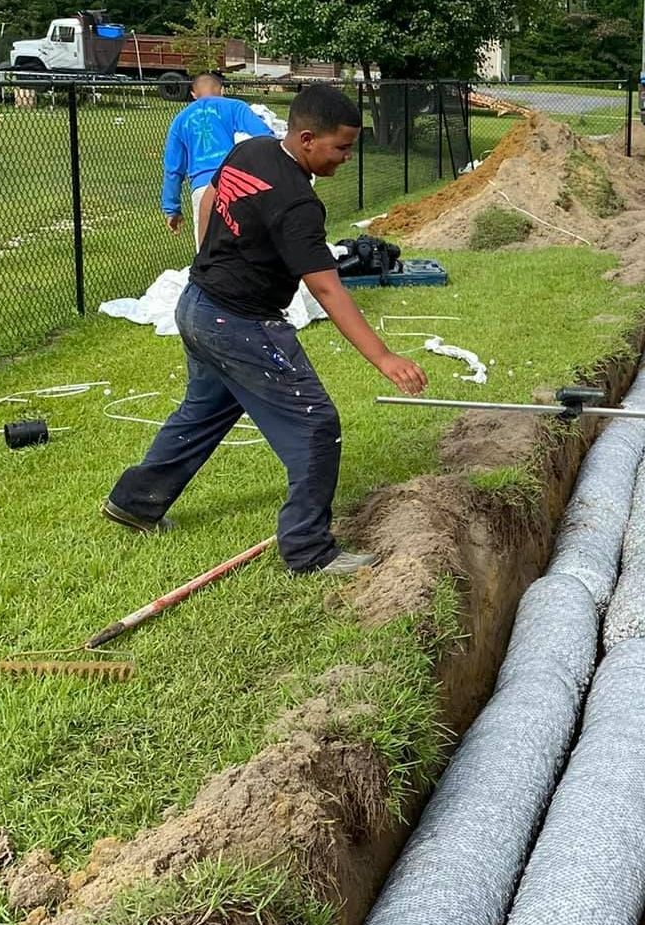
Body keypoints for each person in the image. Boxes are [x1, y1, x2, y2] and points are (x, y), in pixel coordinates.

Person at [105, 83, 429, 576]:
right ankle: (308, 550)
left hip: (196, 304)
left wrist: (210, 258)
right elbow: (327, 290)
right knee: (315, 425)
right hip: (237, 323)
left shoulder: (249, 151)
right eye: (340, 148)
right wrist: (384, 358)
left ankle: (135, 501)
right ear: (305, 138)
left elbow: (212, 196)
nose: (345, 158)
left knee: (203, 411)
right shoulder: (298, 204)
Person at [161, 70, 274, 247]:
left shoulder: (180, 120)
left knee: (207, 250)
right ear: (222, 90)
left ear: (193, 94)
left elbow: (173, 168)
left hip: (202, 188)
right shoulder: (235, 107)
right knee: (245, 243)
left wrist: (172, 209)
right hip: (236, 183)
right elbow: (266, 137)